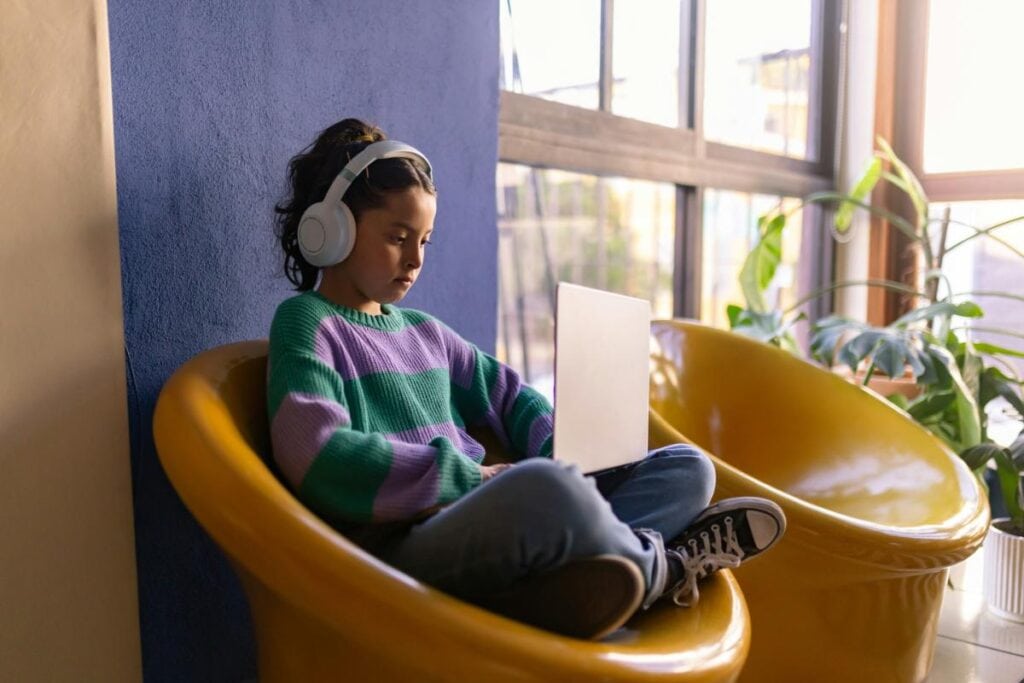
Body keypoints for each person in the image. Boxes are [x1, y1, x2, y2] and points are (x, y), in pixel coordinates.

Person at [268, 117, 786, 639]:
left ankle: (579, 581)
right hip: (401, 548)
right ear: (333, 229)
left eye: (425, 239)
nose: (416, 259)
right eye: (398, 237)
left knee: (688, 469)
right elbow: (316, 455)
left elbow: (510, 394)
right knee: (543, 490)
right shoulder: (307, 323)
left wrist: (569, 453)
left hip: (487, 519)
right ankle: (664, 569)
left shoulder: (426, 333)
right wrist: (476, 479)